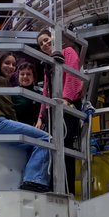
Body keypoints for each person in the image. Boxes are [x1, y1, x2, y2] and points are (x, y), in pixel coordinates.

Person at [0, 51, 52, 193]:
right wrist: (15, 125)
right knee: (45, 139)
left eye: (13, 64)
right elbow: (7, 107)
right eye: (7, 63)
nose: (11, 67)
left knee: (29, 146)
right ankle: (34, 181)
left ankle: (27, 179)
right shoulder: (0, 80)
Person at [36, 29, 82, 195]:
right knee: (51, 147)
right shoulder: (49, 63)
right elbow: (46, 90)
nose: (45, 44)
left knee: (65, 145)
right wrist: (41, 116)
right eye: (41, 43)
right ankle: (52, 186)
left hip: (66, 105)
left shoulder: (67, 52)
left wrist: (67, 99)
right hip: (52, 107)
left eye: (47, 40)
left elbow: (72, 74)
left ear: (55, 39)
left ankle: (66, 188)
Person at [12, 61, 42, 126]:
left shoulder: (40, 94)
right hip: (15, 128)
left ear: (33, 77)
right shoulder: (12, 93)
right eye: (22, 74)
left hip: (35, 129)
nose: (25, 76)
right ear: (18, 77)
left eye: (28, 74)